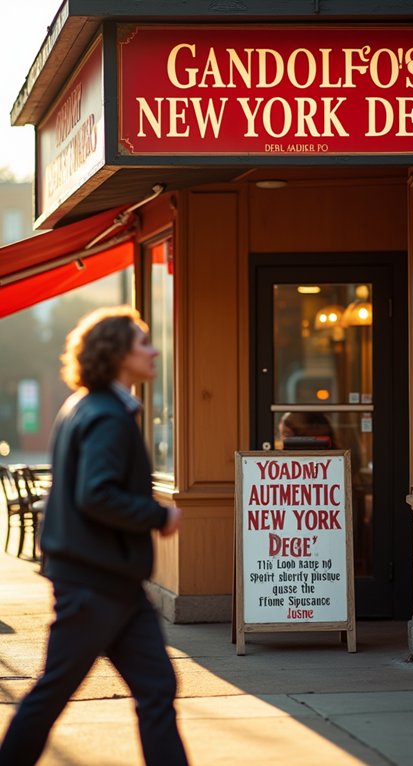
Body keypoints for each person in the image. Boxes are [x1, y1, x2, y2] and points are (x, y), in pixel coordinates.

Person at [0, 307, 189, 766]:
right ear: (118, 354)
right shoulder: (106, 415)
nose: (154, 350)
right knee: (54, 690)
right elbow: (96, 494)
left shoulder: (89, 406)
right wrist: (156, 515)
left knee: (157, 687)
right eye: (143, 342)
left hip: (112, 583)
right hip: (94, 584)